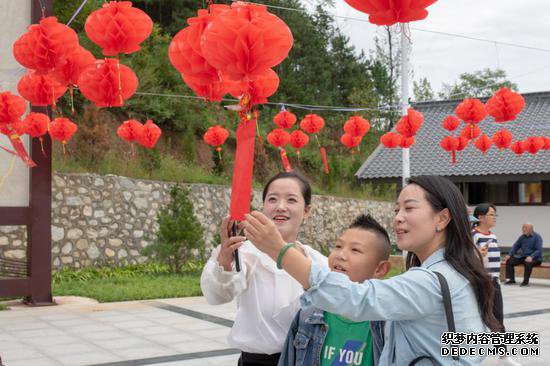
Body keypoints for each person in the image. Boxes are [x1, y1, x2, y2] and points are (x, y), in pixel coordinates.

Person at [244, 175, 500, 365]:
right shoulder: (457, 273)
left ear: (442, 219)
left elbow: (357, 299)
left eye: (409, 208)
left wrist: (279, 250)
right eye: (397, 209)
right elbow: (473, 340)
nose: (398, 217)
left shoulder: (432, 280)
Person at [200, 171, 327, 366]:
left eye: (291, 200)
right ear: (263, 207)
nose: (280, 207)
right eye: (272, 199)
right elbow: (216, 296)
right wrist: (225, 259)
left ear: (307, 211)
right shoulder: (244, 252)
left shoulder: (318, 260)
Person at [278, 214, 391, 366]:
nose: (341, 255)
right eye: (338, 246)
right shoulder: (309, 314)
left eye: (355, 250)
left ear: (380, 269)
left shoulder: (387, 326)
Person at [473, 204, 521, 366]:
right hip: (480, 282)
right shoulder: (474, 236)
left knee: (497, 318)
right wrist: (478, 255)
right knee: (478, 318)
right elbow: (467, 259)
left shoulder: (492, 236)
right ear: (480, 217)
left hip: (494, 282)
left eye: (495, 215)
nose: (494, 217)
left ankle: (503, 357)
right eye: (491, 214)